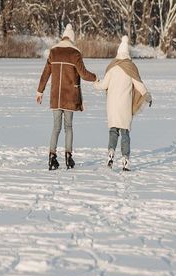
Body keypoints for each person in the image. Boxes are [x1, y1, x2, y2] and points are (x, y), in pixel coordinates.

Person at [36, 23, 97, 170]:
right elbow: (83, 73)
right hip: (70, 96)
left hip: (56, 96)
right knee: (68, 126)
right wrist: (95, 77)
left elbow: (46, 73)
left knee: (56, 127)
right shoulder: (74, 53)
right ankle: (69, 157)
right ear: (72, 38)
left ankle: (52, 157)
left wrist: (40, 91)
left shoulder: (54, 52)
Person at [93, 36, 152, 171]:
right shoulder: (130, 68)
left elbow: (103, 85)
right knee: (125, 132)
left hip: (112, 106)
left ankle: (111, 153)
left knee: (113, 131)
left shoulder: (112, 68)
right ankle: (125, 158)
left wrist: (95, 83)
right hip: (125, 106)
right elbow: (139, 84)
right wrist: (146, 96)